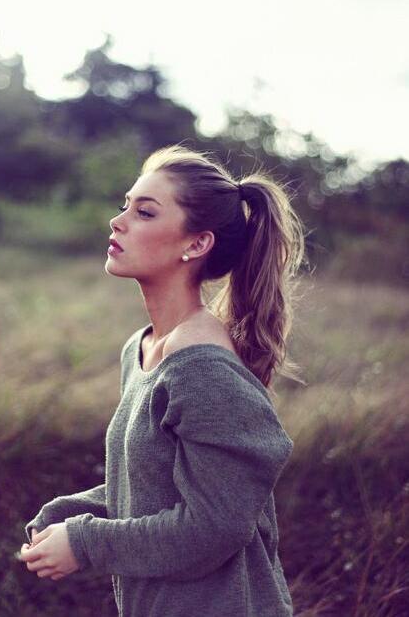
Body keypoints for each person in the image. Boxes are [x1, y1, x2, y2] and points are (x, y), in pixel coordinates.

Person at [20, 144, 307, 616]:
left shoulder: (204, 368)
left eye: (145, 212)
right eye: (125, 206)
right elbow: (155, 486)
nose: (118, 222)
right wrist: (72, 512)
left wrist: (86, 542)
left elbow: (213, 528)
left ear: (196, 244)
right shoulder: (142, 348)